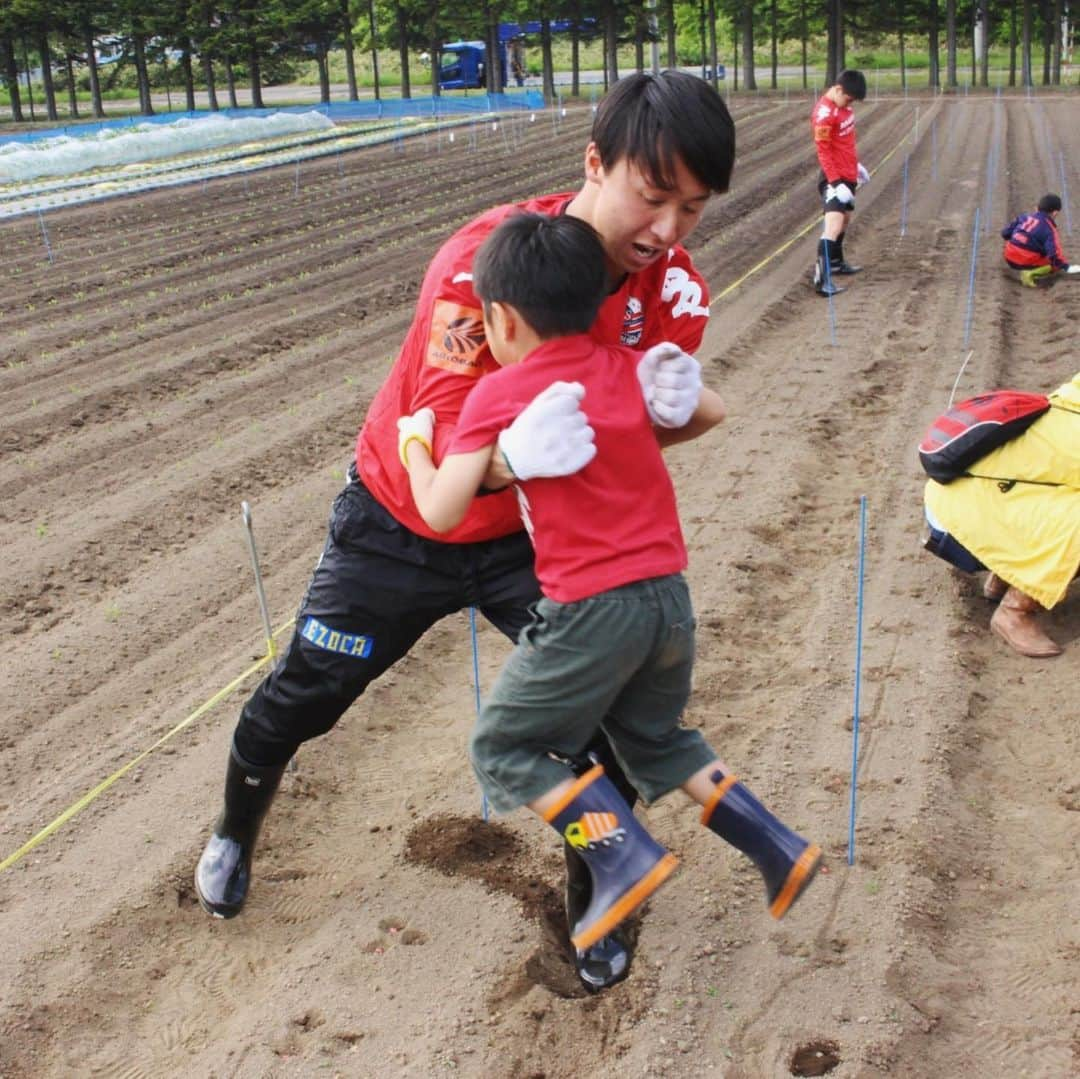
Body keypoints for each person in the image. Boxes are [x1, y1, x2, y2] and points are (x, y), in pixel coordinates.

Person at [194, 70, 736, 994]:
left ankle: (600, 891)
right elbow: (442, 446)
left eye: (692, 207)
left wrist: (682, 411)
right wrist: (517, 454)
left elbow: (640, 427)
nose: (667, 232)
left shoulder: (670, 291)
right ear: (595, 163)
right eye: (653, 197)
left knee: (598, 721)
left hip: (535, 540)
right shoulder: (484, 266)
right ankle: (234, 829)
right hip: (402, 521)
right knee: (305, 694)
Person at [397, 210, 822, 957]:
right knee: (656, 738)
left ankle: (618, 852)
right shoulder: (619, 367)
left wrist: (413, 451)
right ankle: (779, 846)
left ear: (498, 318)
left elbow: (439, 509)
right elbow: (710, 408)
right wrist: (671, 386)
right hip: (669, 600)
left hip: (590, 610)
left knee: (504, 746)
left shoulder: (500, 394)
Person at [923, 372, 1080, 657]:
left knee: (1058, 498)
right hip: (958, 523)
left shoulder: (1068, 405)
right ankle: (1014, 611)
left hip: (955, 505)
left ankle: (1005, 575)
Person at [810, 69, 869, 297]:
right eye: (848, 98)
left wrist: (856, 166)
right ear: (837, 89)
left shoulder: (845, 109)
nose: (849, 103)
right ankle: (821, 280)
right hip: (833, 177)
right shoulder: (824, 115)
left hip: (848, 174)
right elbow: (823, 151)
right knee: (833, 225)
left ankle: (835, 262)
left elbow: (845, 143)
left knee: (844, 220)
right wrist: (835, 183)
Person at [1000, 194, 1080, 288]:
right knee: (1054, 264)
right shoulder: (1049, 229)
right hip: (1024, 261)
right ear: (1055, 213)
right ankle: (1029, 273)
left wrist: (1020, 239)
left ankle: (1022, 266)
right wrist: (1066, 267)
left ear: (1036, 208)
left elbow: (1005, 233)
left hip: (1008, 256)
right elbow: (1053, 254)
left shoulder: (1023, 217)